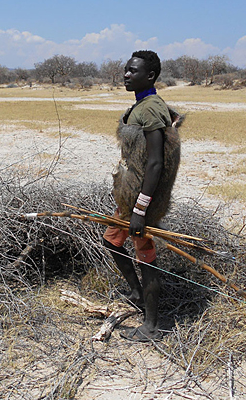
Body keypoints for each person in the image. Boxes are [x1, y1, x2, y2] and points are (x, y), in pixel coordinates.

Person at [102, 50, 182, 342]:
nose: (126, 74)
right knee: (111, 240)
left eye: (132, 71)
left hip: (139, 199)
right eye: (125, 69)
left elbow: (156, 162)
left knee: (145, 258)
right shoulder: (145, 105)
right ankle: (136, 293)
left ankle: (151, 326)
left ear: (150, 76)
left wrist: (140, 209)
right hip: (129, 197)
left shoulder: (149, 109)